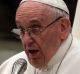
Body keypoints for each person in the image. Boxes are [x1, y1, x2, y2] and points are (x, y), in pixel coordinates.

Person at [0, 0, 80, 74]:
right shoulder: (12, 67)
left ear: (63, 27)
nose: (26, 40)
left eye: (35, 29)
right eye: (21, 30)